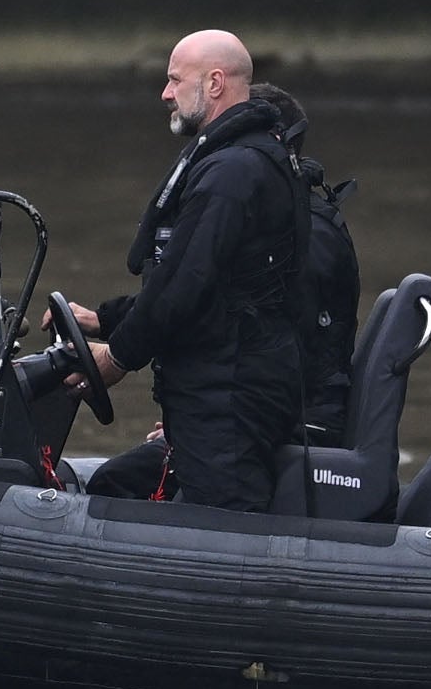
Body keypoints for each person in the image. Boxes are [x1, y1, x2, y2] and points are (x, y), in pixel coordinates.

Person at [70, 30, 321, 514]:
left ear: (214, 83)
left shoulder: (232, 173)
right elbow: (197, 285)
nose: (165, 93)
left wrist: (117, 358)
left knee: (222, 521)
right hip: (222, 385)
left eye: (173, 80)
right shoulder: (248, 161)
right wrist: (107, 320)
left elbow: (184, 286)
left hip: (229, 393)